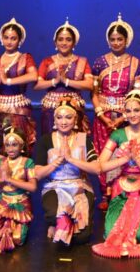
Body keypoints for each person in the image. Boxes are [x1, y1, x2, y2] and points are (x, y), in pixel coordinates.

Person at [92, 90, 140, 258]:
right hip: (122, 188)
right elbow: (100, 166)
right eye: (128, 111)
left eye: (136, 110)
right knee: (112, 233)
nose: (132, 114)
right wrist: (123, 159)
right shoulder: (118, 134)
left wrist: (138, 160)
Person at [91, 14, 140, 205]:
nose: (116, 42)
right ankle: (104, 191)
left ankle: (120, 189)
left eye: (120, 39)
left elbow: (136, 94)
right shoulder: (99, 62)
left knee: (122, 152)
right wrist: (101, 115)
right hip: (102, 116)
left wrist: (123, 118)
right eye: (112, 39)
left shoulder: (135, 64)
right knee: (102, 151)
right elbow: (94, 93)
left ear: (126, 40)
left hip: (127, 117)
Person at [35, 100, 98, 246]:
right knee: (54, 215)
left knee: (82, 238)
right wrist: (57, 161)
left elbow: (96, 169)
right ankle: (55, 222)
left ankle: (61, 225)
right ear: (54, 119)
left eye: (68, 117)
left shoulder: (82, 139)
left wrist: (70, 159)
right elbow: (37, 174)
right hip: (54, 186)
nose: (63, 122)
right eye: (59, 117)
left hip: (79, 186)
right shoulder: (46, 140)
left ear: (75, 120)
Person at [0, 18, 38, 147]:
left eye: (13, 38)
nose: (9, 42)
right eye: (6, 38)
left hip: (18, 108)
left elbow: (33, 76)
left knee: (17, 142)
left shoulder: (25, 58)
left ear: (19, 40)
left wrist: (8, 81)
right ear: (1, 39)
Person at [35, 19, 93, 135]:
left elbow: (89, 84)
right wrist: (55, 81)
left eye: (68, 39)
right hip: (51, 111)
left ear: (74, 43)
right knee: (51, 144)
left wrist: (66, 81)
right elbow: (37, 85)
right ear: (55, 43)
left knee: (76, 145)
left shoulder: (82, 61)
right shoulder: (47, 61)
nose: (64, 43)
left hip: (75, 109)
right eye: (60, 39)